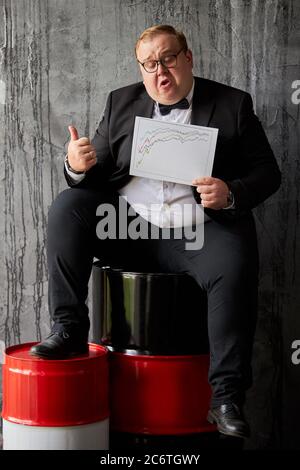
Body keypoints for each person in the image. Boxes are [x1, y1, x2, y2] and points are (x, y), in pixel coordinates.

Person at [30, 25, 281, 439]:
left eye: (167, 59)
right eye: (149, 65)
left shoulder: (233, 104)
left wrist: (231, 192)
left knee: (235, 264)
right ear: (142, 70)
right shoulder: (122, 102)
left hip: (199, 228)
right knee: (66, 207)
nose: (159, 72)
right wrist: (77, 164)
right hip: (129, 225)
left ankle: (225, 397)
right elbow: (98, 171)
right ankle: (70, 330)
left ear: (188, 58)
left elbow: (268, 173)